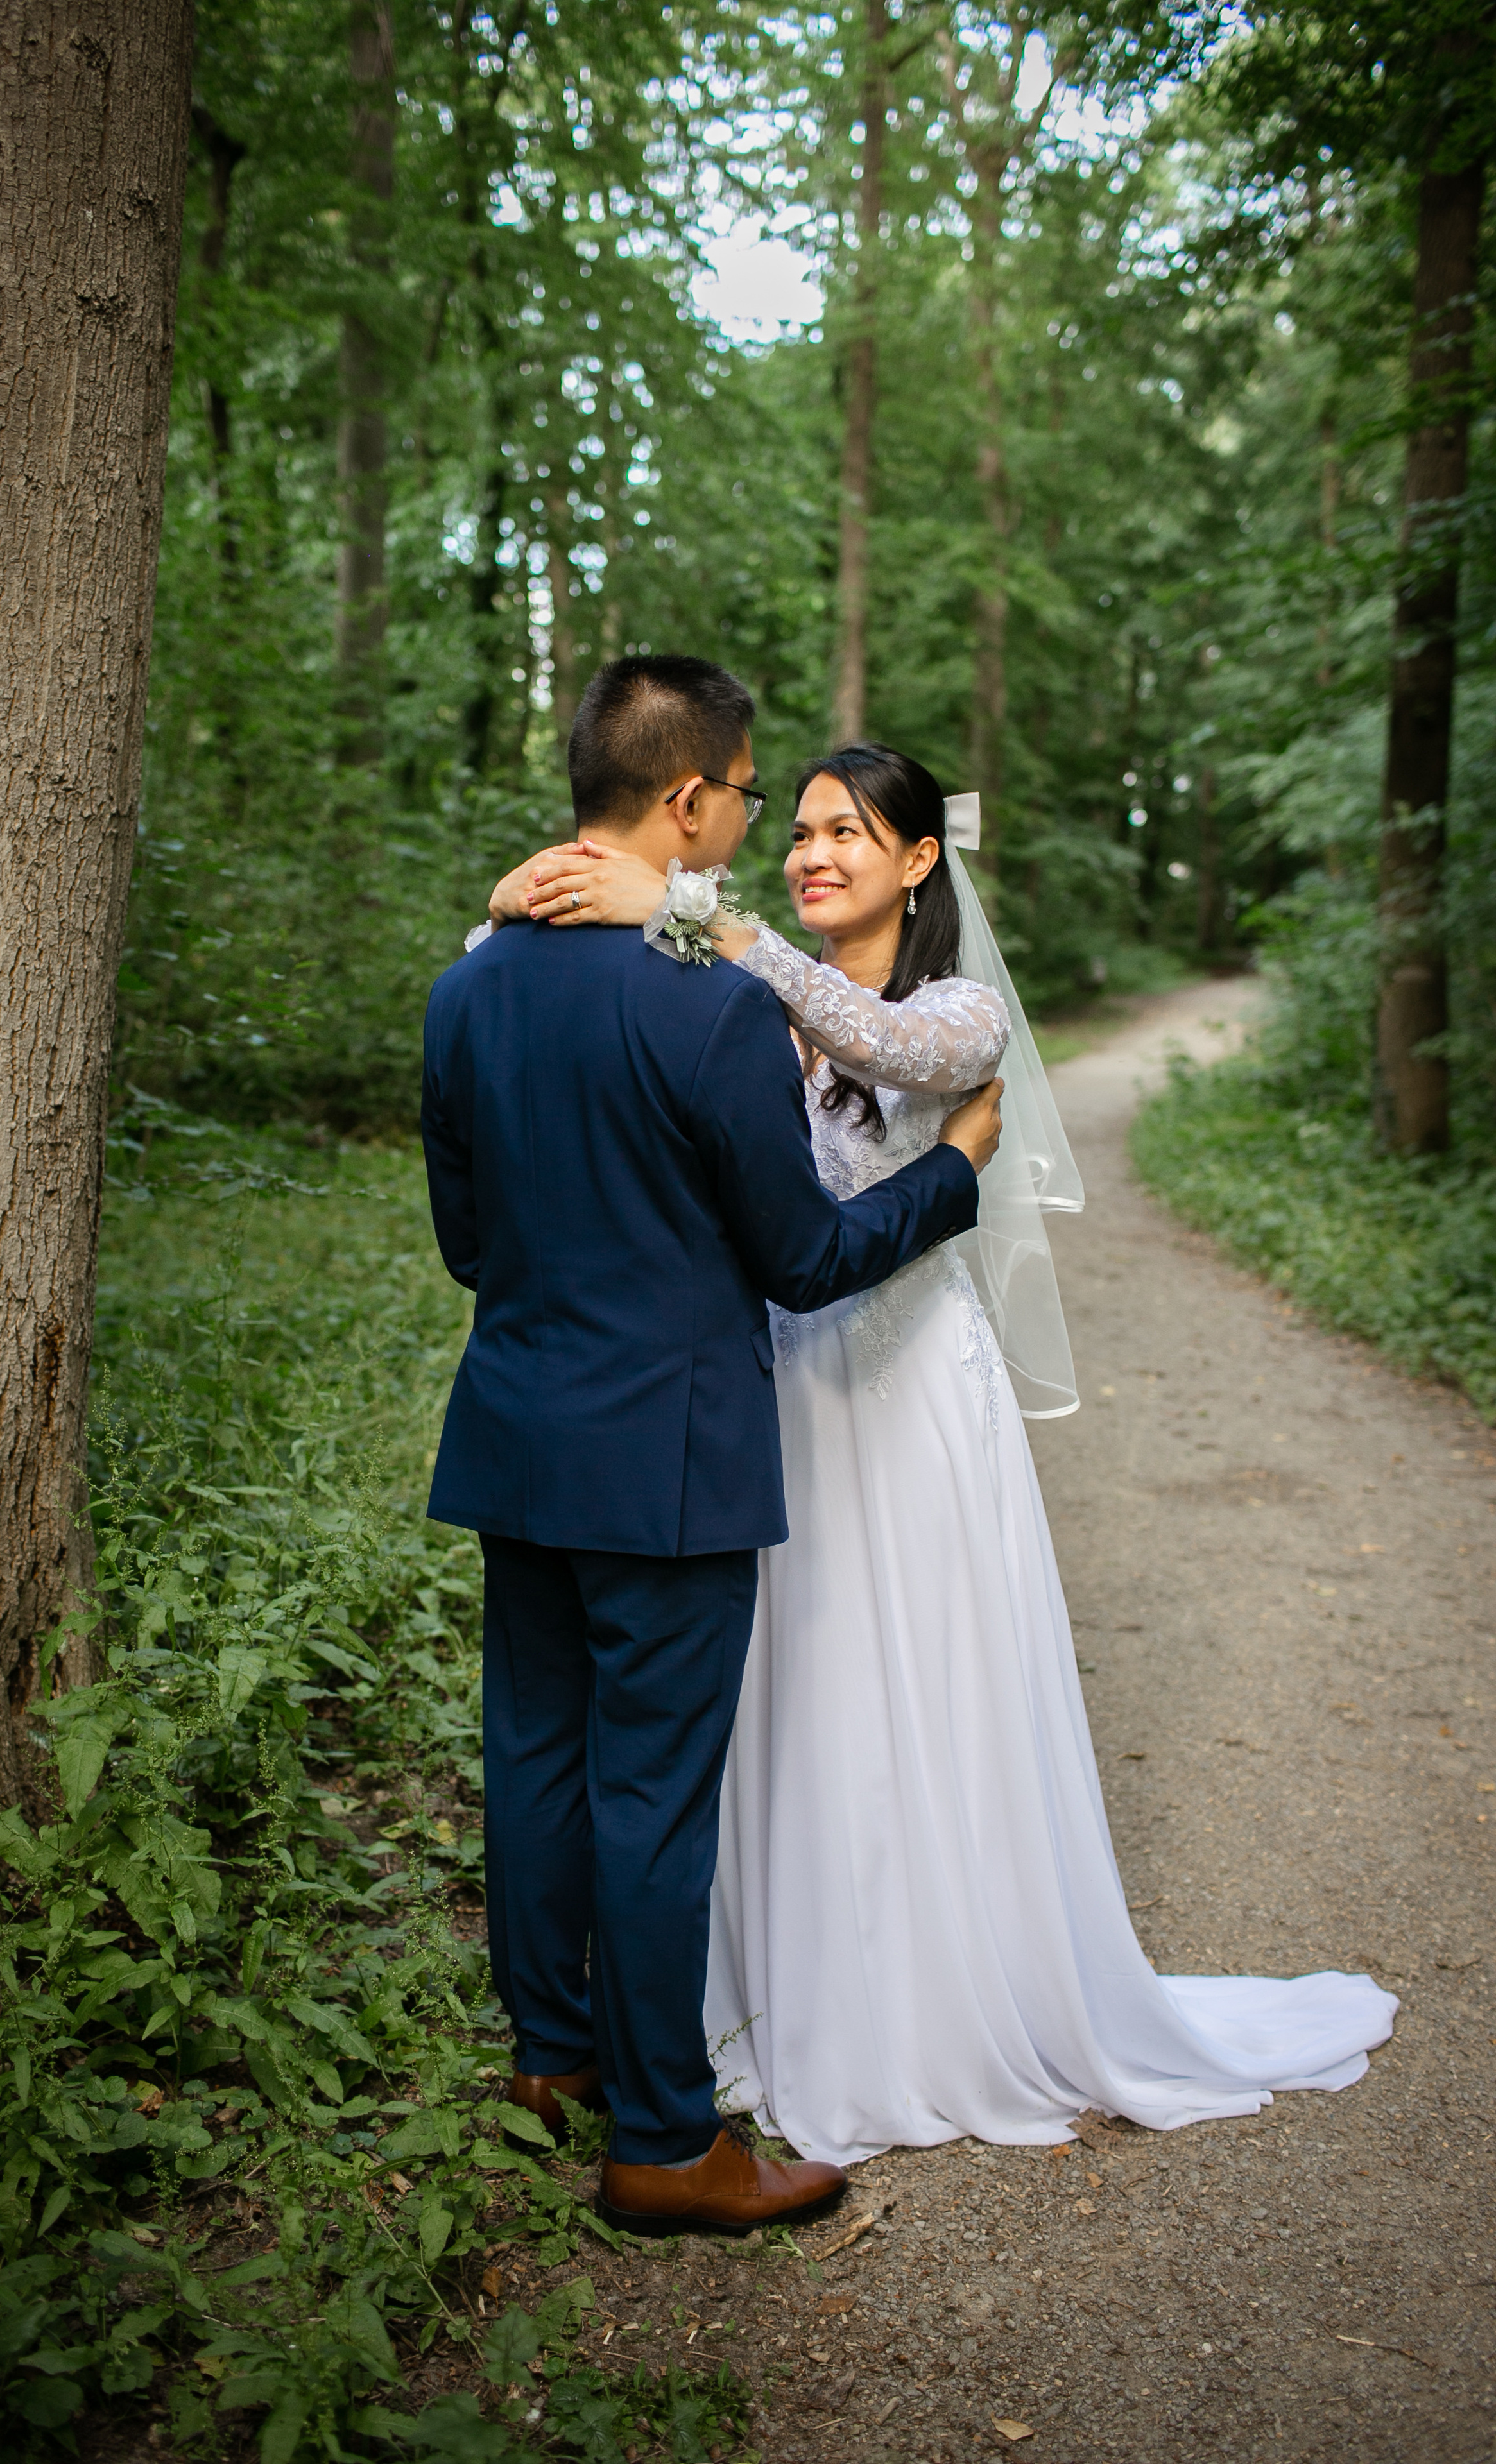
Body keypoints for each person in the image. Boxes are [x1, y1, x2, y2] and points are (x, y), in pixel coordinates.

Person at [499, 735, 1397, 2164]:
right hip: (775, 1390)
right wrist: (528, 903)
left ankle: (931, 1995)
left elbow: (892, 1052)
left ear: (920, 860)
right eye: (797, 830)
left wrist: (694, 915)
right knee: (787, 1689)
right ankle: (776, 1990)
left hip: (909, 1392)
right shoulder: (740, 1002)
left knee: (913, 1675)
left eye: (845, 833)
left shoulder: (954, 1011)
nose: (809, 855)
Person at [420, 660, 1006, 2233]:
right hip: (667, 1459)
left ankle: (550, 2061)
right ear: (685, 801)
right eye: (749, 798)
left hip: (518, 1438)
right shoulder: (710, 1008)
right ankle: (666, 2143)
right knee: (652, 1796)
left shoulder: (466, 990)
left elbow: (469, 1246)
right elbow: (802, 1261)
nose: (757, 827)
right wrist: (949, 1173)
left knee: (534, 1758)